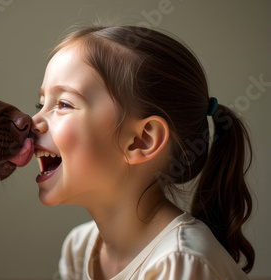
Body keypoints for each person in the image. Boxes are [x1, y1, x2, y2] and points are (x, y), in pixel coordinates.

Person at [31, 25, 254, 279]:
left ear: (142, 140)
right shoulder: (79, 247)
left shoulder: (182, 265)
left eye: (63, 104)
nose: (33, 121)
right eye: (41, 103)